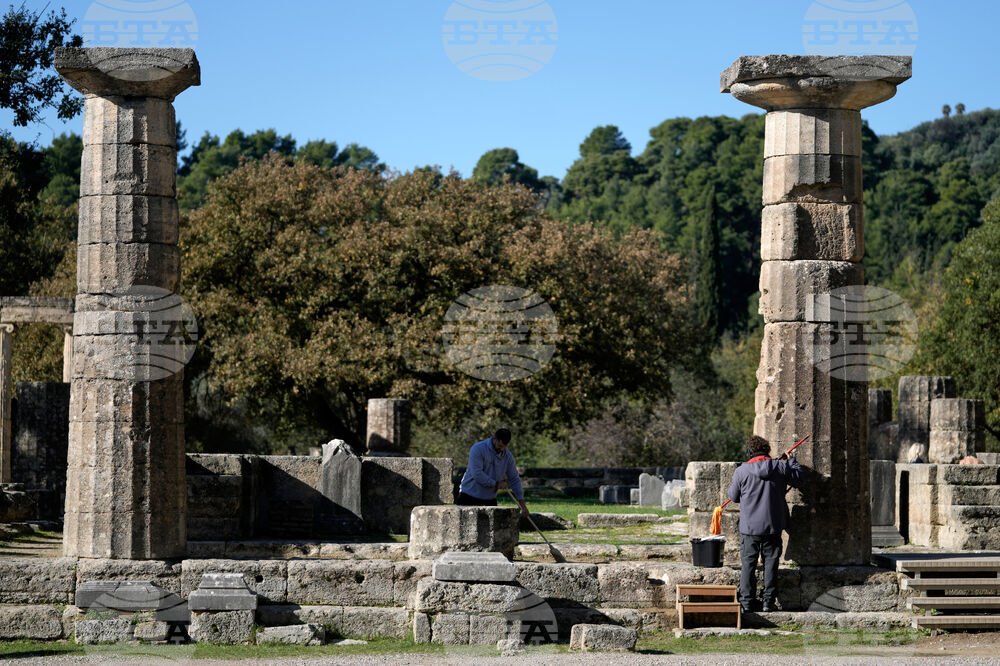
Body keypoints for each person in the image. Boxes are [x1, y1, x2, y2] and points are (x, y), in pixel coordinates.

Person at [726, 435, 803, 613]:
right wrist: (792, 462)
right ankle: (768, 602)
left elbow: (733, 496)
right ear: (767, 450)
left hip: (749, 527)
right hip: (773, 525)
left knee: (748, 564)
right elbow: (799, 478)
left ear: (749, 452)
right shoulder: (780, 466)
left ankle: (746, 602)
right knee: (771, 563)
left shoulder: (742, 471)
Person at [458, 428, 529, 517]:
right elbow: (477, 474)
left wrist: (522, 505)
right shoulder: (478, 449)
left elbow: (514, 479)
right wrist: (496, 484)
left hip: (489, 499)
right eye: (499, 446)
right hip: (469, 497)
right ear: (494, 439)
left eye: (504, 446)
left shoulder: (508, 456)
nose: (501, 449)